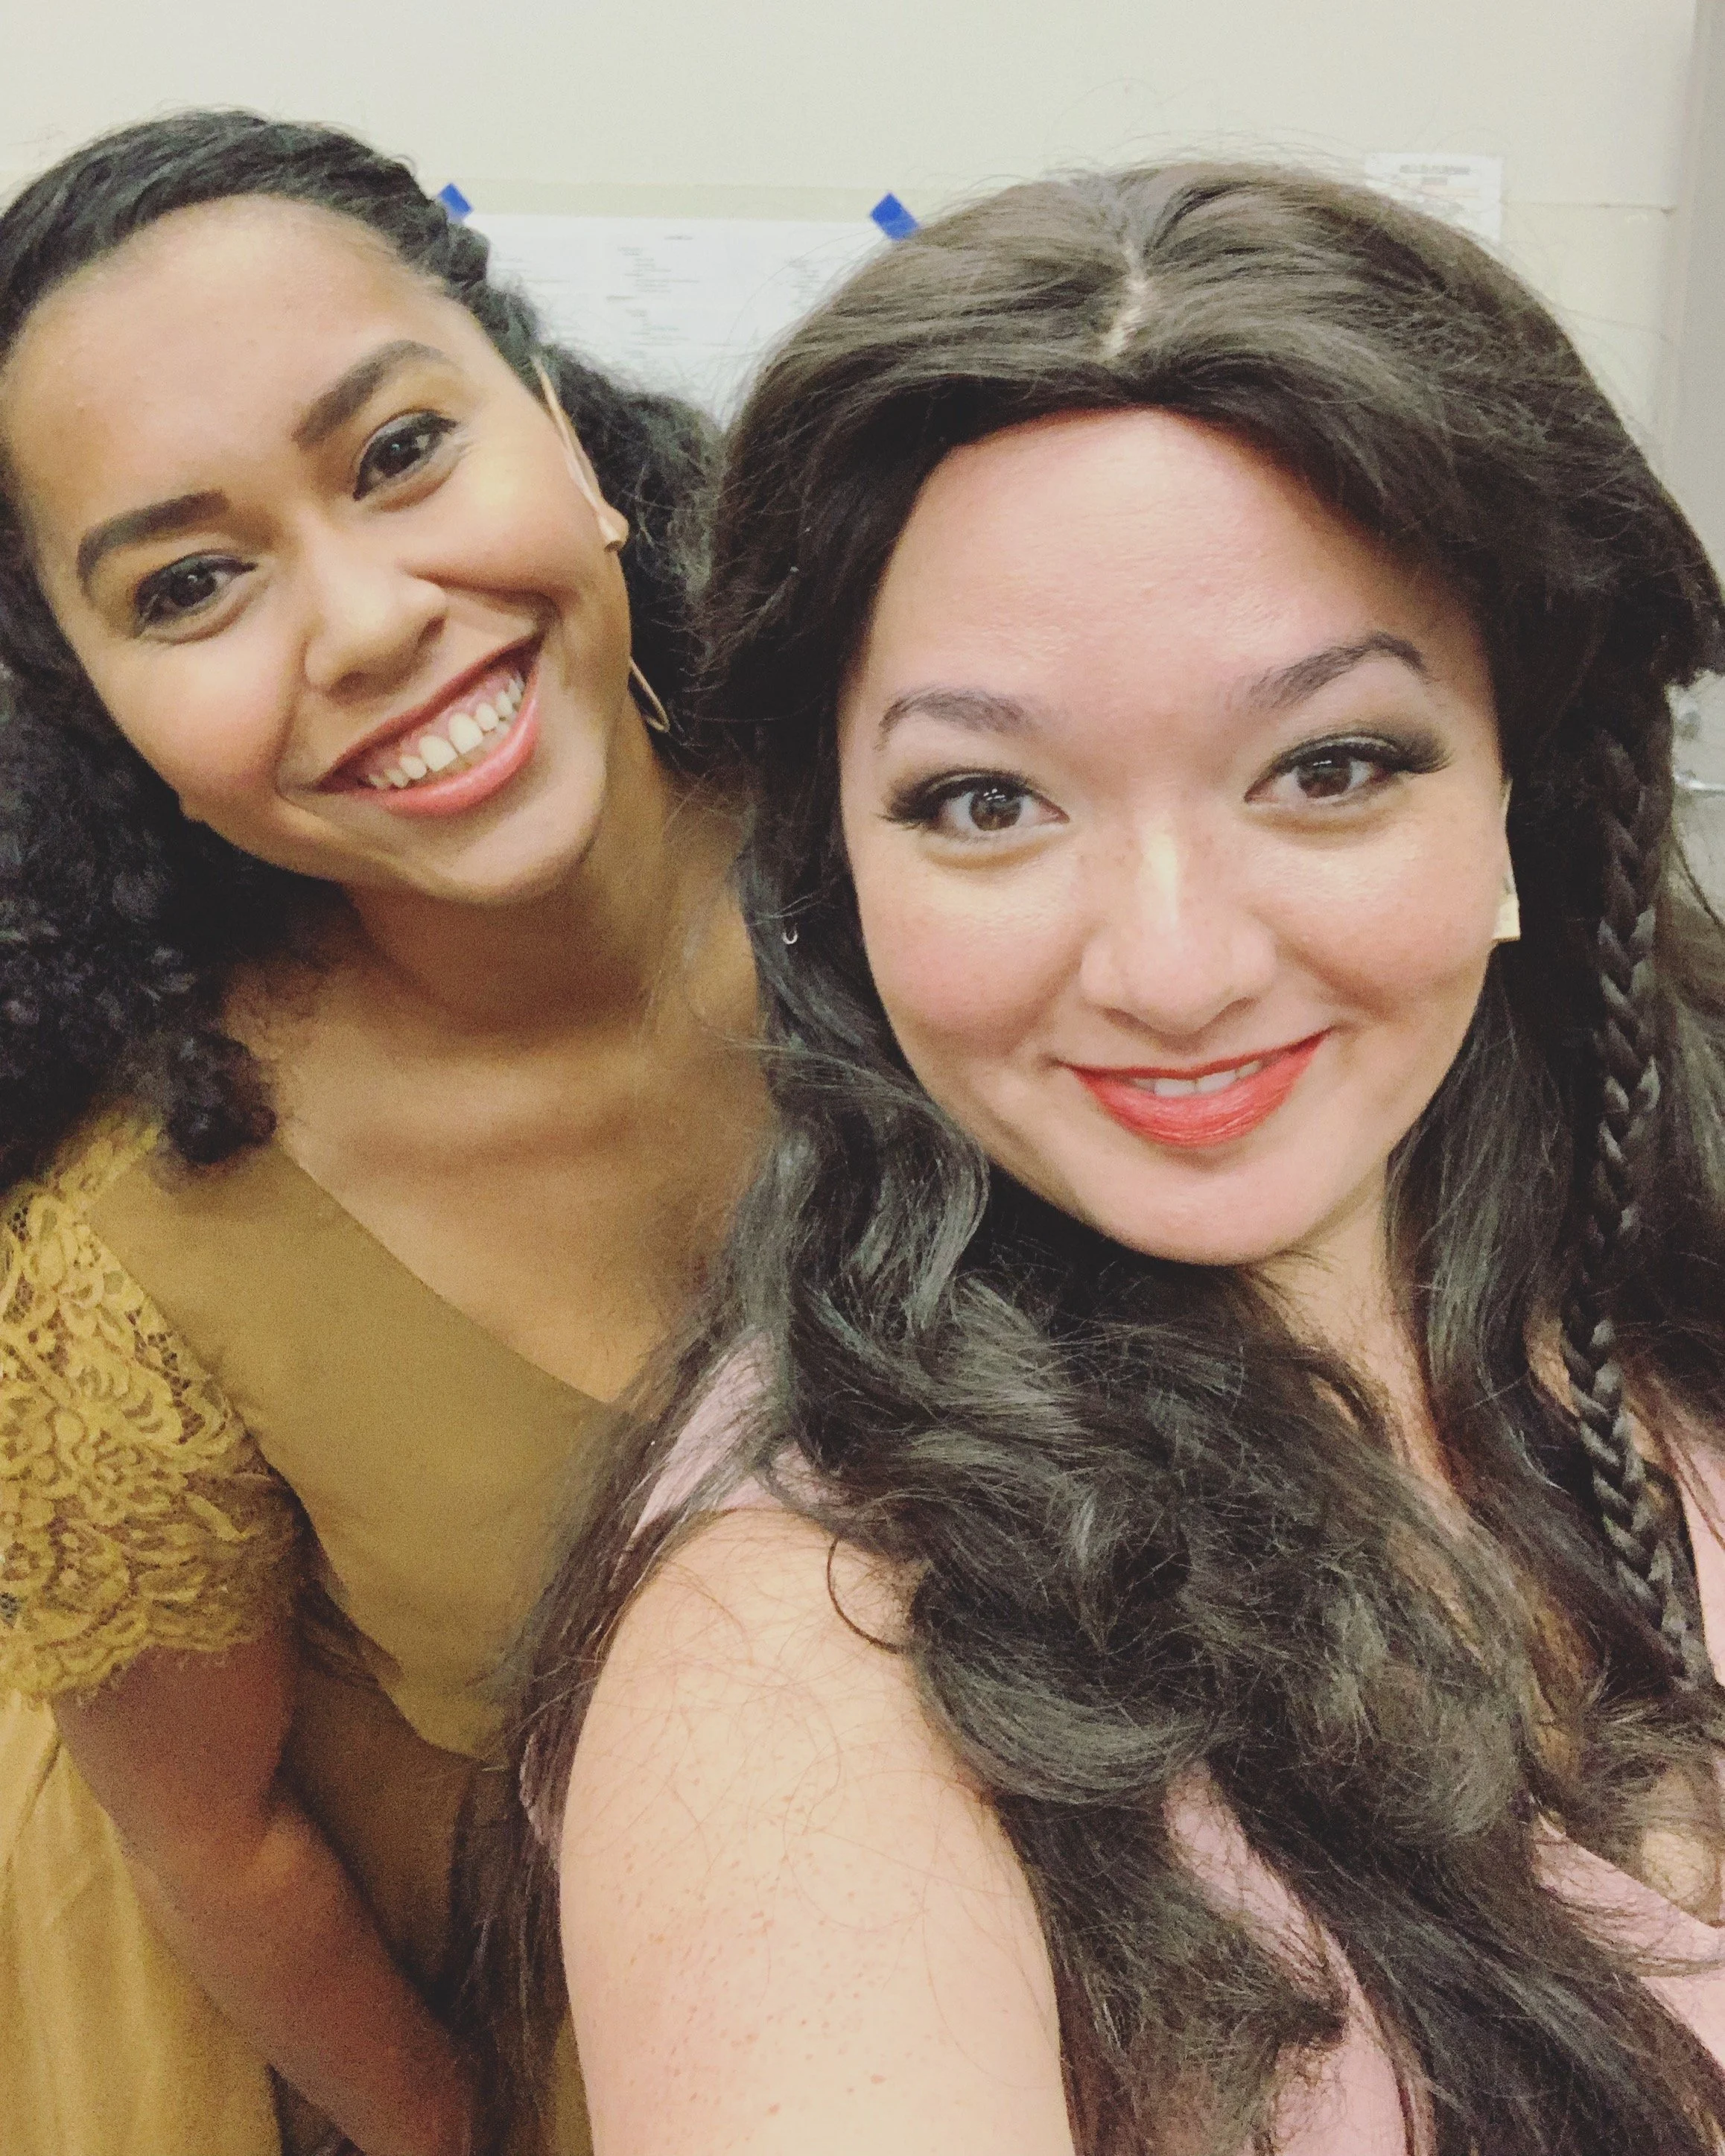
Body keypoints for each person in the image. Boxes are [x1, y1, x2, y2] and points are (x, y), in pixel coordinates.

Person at [495, 165, 1725, 2155]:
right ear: (837, 873)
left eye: (1327, 765)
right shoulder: (807, 1683)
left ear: (1521, 780)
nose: (1167, 965)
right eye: (983, 798)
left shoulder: (1642, 1292)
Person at [0, 112, 763, 2156]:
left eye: (401, 451)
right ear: (98, 707)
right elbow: (225, 1846)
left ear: (561, 422)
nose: (362, 618)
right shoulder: (126, 1259)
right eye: (187, 583)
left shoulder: (956, 845)